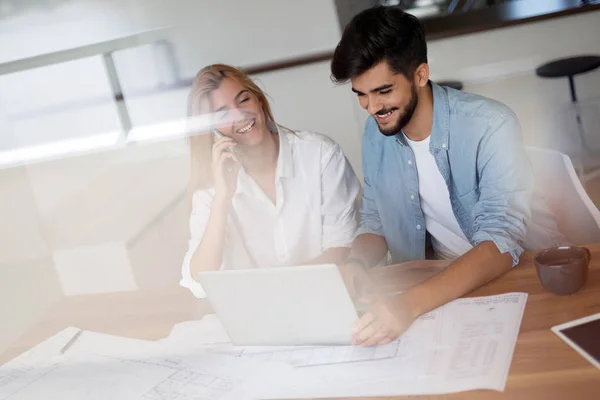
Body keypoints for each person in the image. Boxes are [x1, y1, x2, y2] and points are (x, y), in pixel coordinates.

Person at [330, 6, 566, 346]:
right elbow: (375, 220)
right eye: (361, 95)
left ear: (420, 75)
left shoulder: (490, 124)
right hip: (437, 290)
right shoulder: (375, 132)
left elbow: (501, 241)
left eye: (383, 91)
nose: (371, 108)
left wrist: (408, 305)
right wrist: (354, 263)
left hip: (520, 283)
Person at [180, 64, 361, 298]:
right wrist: (223, 199)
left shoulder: (319, 154)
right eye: (223, 114)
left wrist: (276, 289)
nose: (240, 115)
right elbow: (201, 279)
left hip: (328, 295)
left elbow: (343, 247)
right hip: (258, 311)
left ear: (259, 99)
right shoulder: (211, 191)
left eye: (243, 100)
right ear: (213, 129)